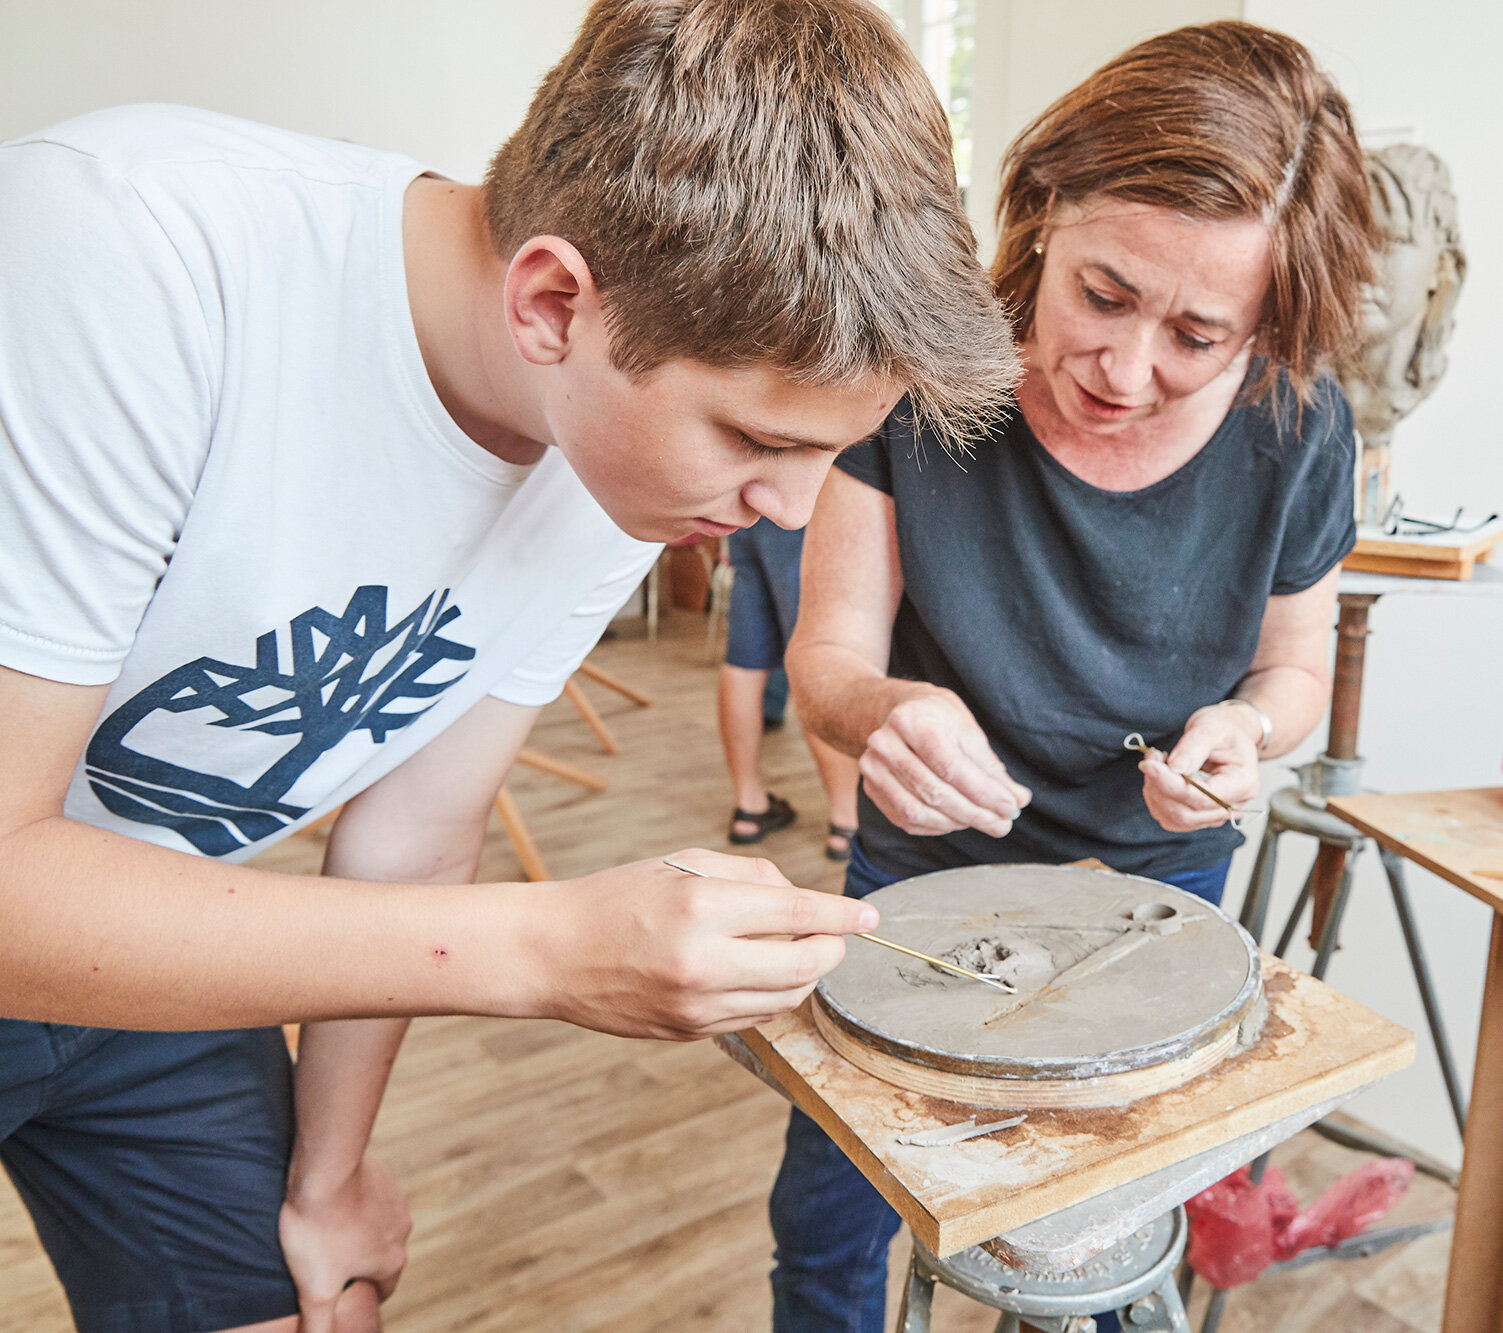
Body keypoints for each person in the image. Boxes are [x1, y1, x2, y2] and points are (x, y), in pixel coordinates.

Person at [0, 1, 1017, 1330]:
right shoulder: (123, 252)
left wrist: (334, 1172)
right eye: (758, 440)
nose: (788, 507)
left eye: (830, 451)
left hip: (159, 909)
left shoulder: (618, 463)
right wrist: (545, 948)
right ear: (553, 302)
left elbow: (419, 834)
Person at [776, 21, 1378, 1333]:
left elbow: (1295, 670)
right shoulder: (925, 374)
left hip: (1153, 883)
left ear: (1264, 324)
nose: (1127, 369)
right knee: (830, 1220)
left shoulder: (1300, 427)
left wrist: (1244, 729)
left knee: (1086, 1243)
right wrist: (883, 709)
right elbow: (823, 658)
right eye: (1104, 295)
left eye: (1199, 336)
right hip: (921, 878)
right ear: (1045, 207)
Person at [718, 519, 862, 858]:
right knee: (813, 659)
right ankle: (847, 822)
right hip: (800, 512)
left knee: (743, 664)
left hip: (749, 515)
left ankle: (749, 807)